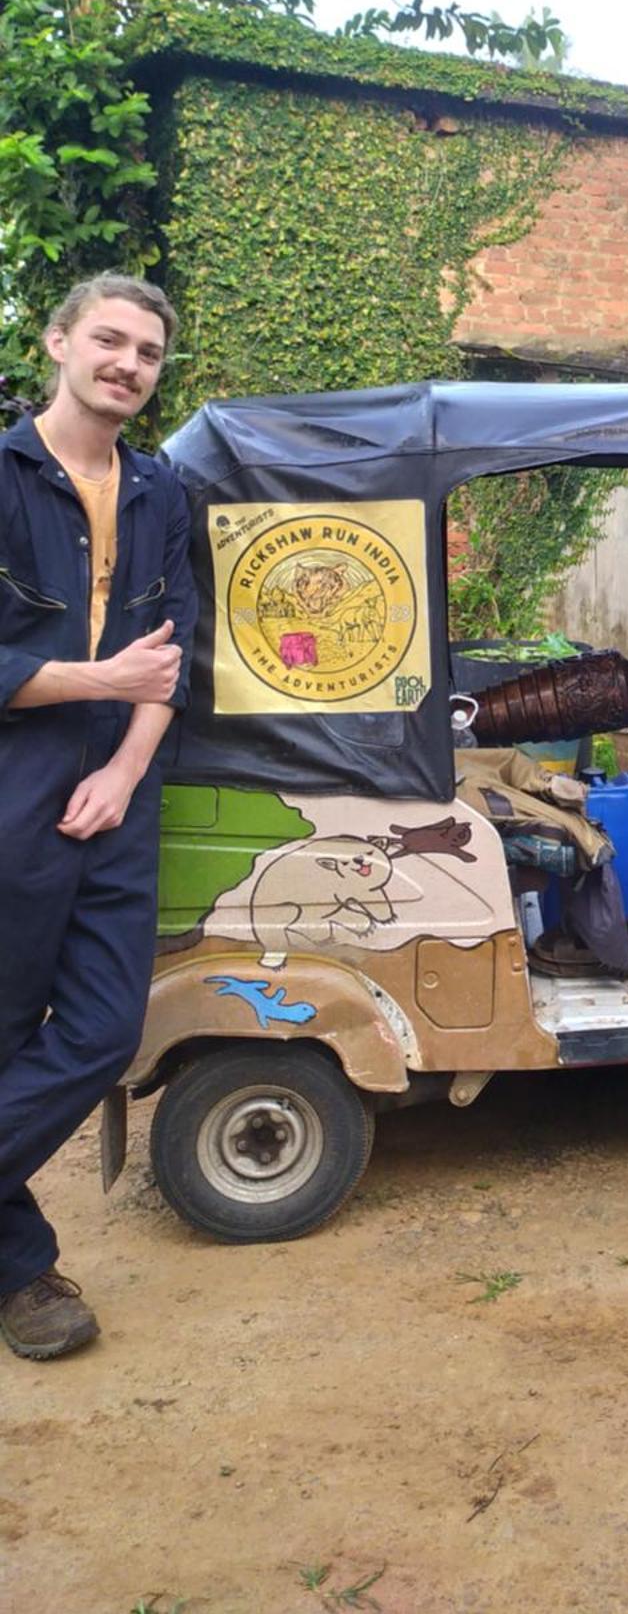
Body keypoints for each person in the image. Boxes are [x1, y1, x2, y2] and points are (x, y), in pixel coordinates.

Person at [0, 275, 196, 1360]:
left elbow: (174, 658)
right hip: (13, 784)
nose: (127, 363)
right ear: (59, 340)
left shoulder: (165, 492)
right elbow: (115, 669)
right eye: (110, 341)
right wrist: (96, 680)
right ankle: (24, 1272)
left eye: (148, 351)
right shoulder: (3, 475)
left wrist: (125, 768)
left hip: (116, 793)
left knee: (104, 1029)